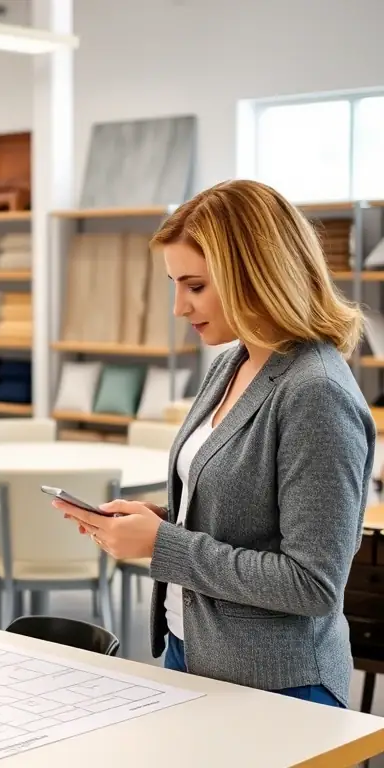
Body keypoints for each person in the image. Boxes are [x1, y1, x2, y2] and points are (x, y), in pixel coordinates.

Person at [54, 179, 375, 708]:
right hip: (191, 652)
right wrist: (153, 520)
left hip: (280, 684)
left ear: (256, 274)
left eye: (196, 285)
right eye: (174, 284)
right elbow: (236, 515)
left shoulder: (315, 392)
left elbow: (312, 584)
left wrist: (162, 545)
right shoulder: (234, 361)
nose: (179, 307)